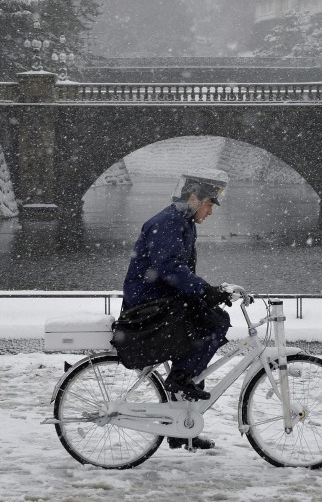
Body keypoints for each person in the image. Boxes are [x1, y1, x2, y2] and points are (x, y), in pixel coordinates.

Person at [121, 168, 233, 451]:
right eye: (209, 204)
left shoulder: (181, 222)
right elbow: (169, 268)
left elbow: (179, 271)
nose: (210, 212)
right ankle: (181, 378)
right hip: (147, 303)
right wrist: (205, 291)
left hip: (161, 297)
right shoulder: (168, 223)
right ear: (193, 199)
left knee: (210, 319)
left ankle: (180, 423)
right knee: (215, 322)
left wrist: (205, 292)